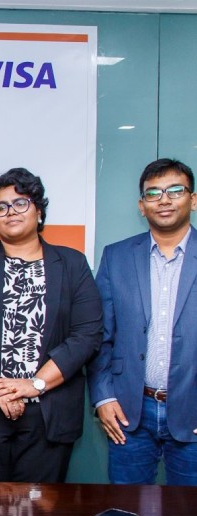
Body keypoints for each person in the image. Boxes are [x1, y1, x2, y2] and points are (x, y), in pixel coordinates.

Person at [0, 167, 102, 483]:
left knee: (40, 507)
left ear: (38, 211)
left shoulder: (72, 263)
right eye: (1, 207)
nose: (10, 212)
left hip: (49, 411)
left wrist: (35, 384)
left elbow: (87, 335)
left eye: (20, 203)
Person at [88, 158, 197, 485]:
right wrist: (103, 397)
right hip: (128, 412)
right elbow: (100, 336)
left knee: (189, 513)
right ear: (141, 205)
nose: (164, 200)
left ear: (193, 200)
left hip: (191, 409)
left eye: (175, 191)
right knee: (127, 508)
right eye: (153, 193)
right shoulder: (116, 256)